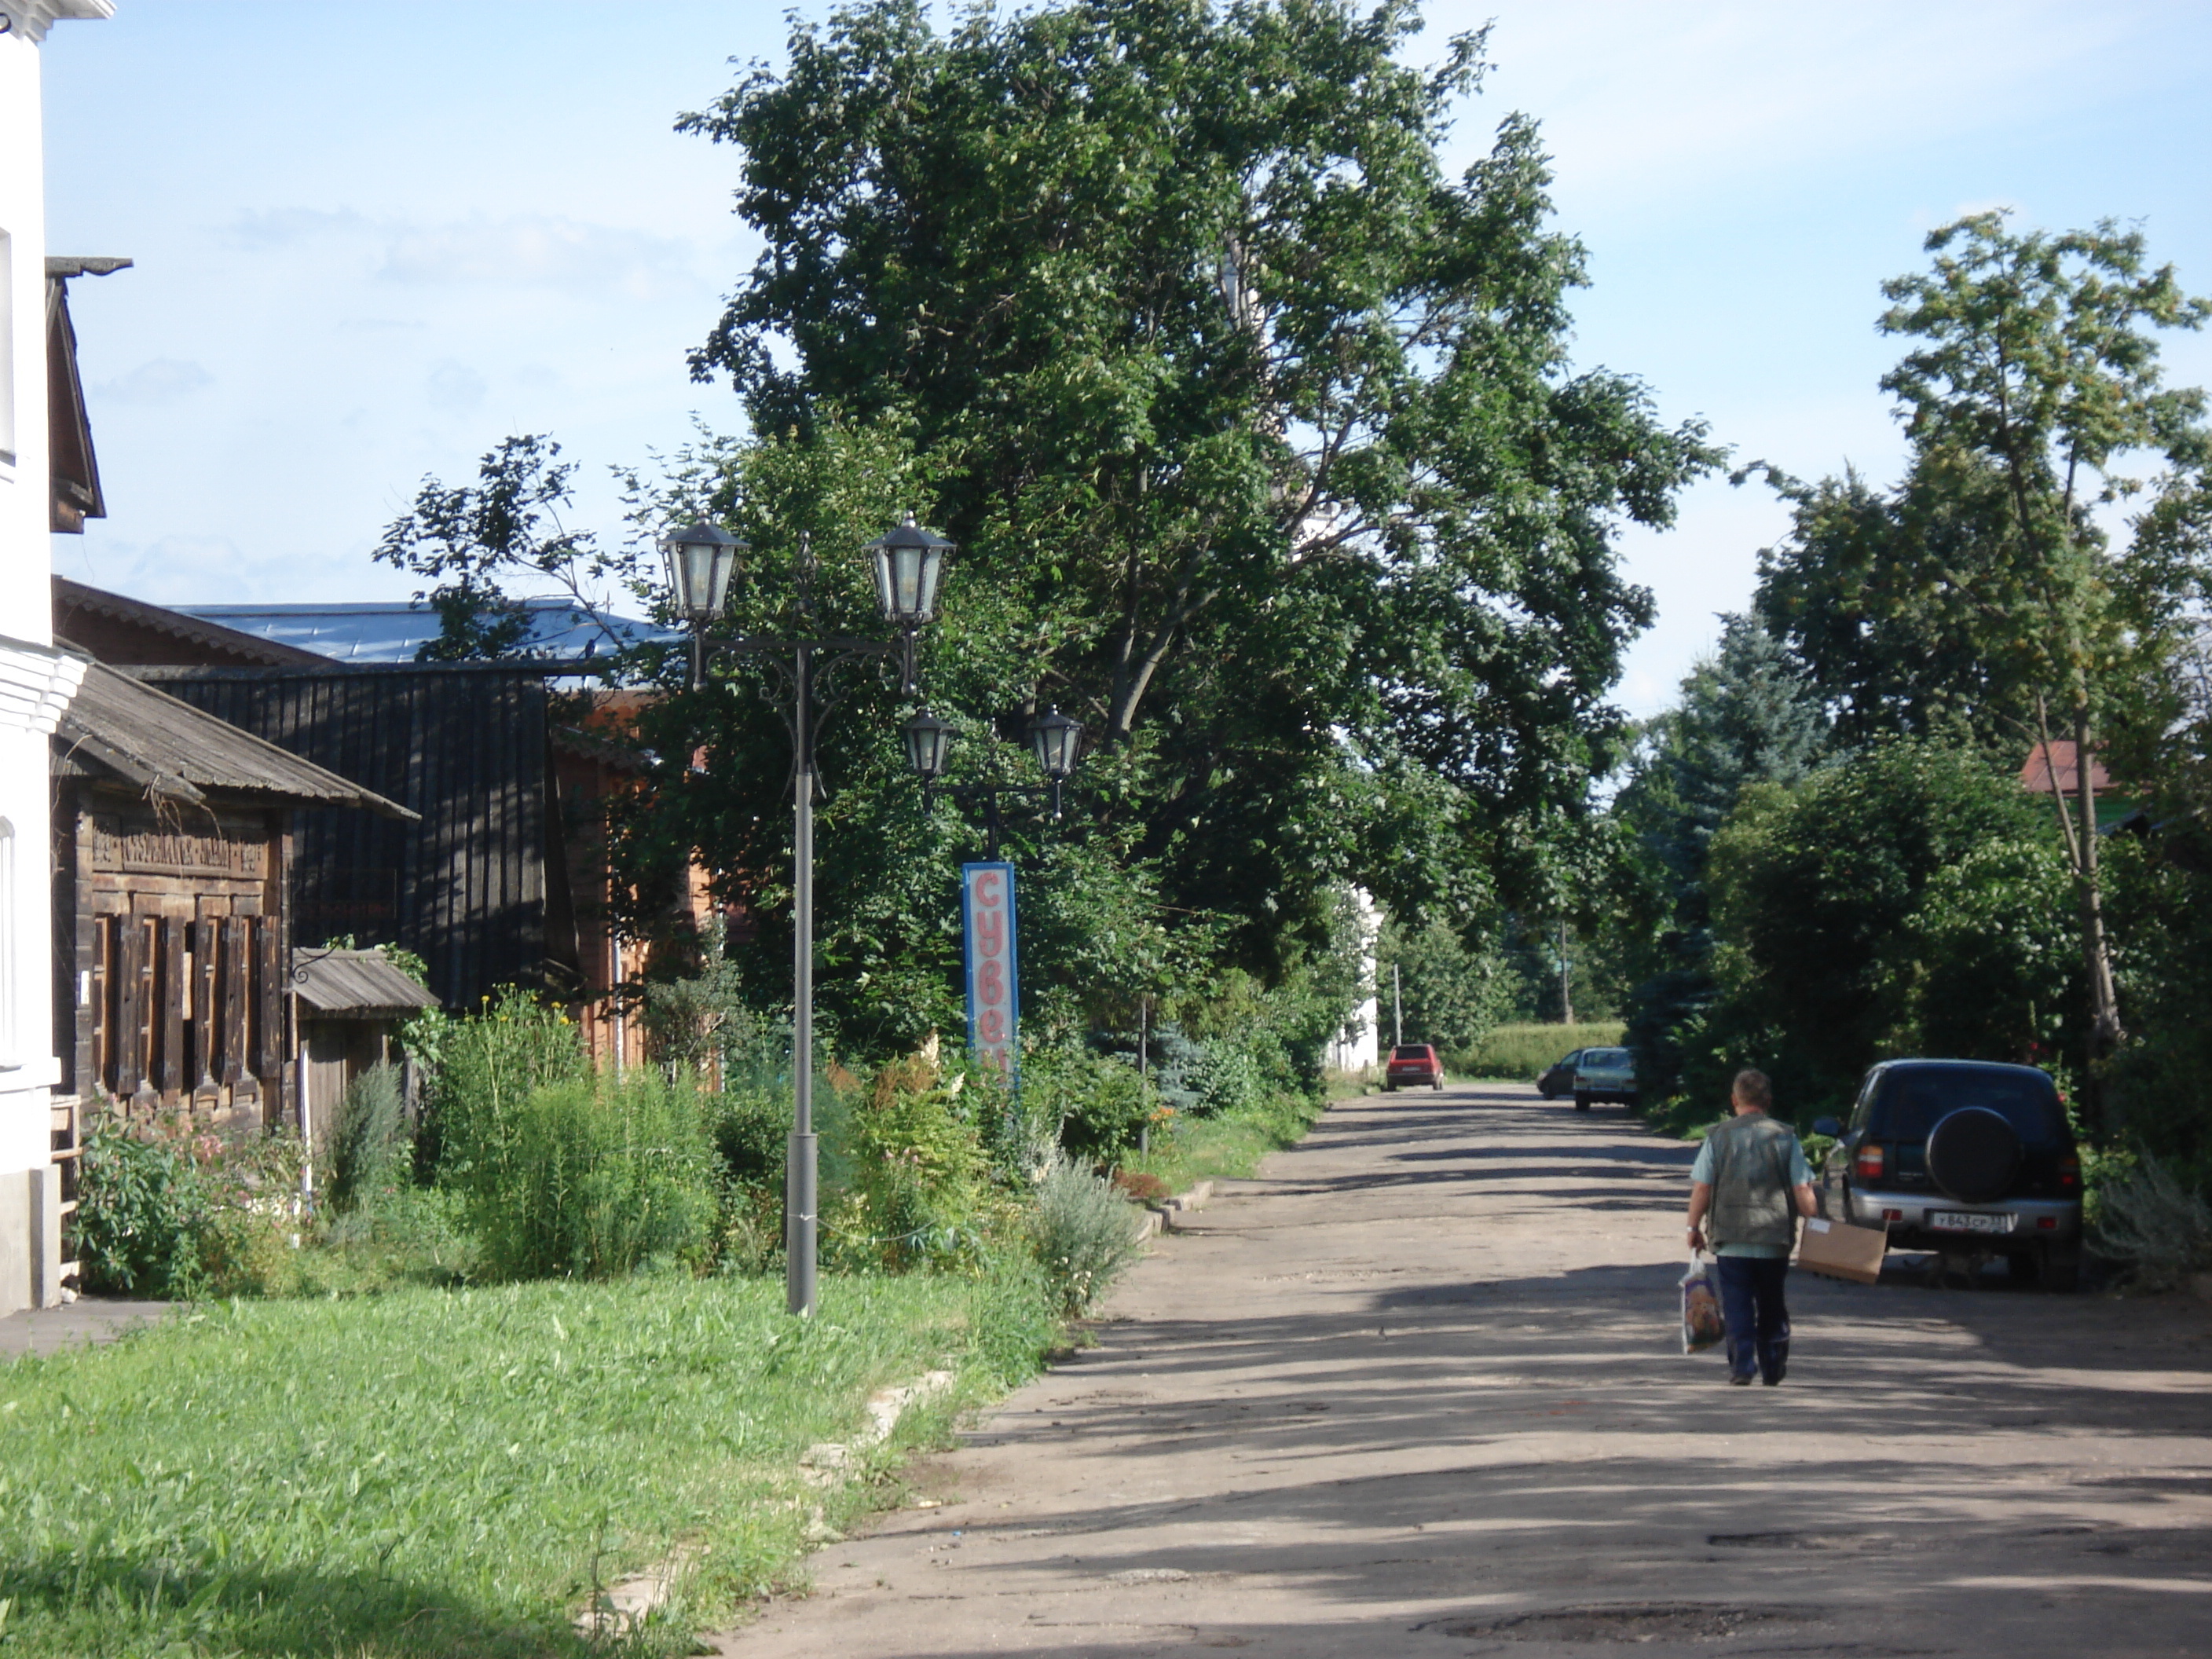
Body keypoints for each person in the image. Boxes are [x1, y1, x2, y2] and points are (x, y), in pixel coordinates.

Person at [1684, 1068, 1818, 1386]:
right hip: (1773, 1239)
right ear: (1768, 1101)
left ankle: (1743, 1367)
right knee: (1772, 1303)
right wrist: (1818, 1223)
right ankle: (1773, 1368)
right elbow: (1802, 1189)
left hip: (1732, 1239)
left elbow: (1703, 1187)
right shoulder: (1786, 1137)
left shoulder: (1718, 1136)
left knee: (1738, 1304)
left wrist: (1693, 1227)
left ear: (1734, 1101)